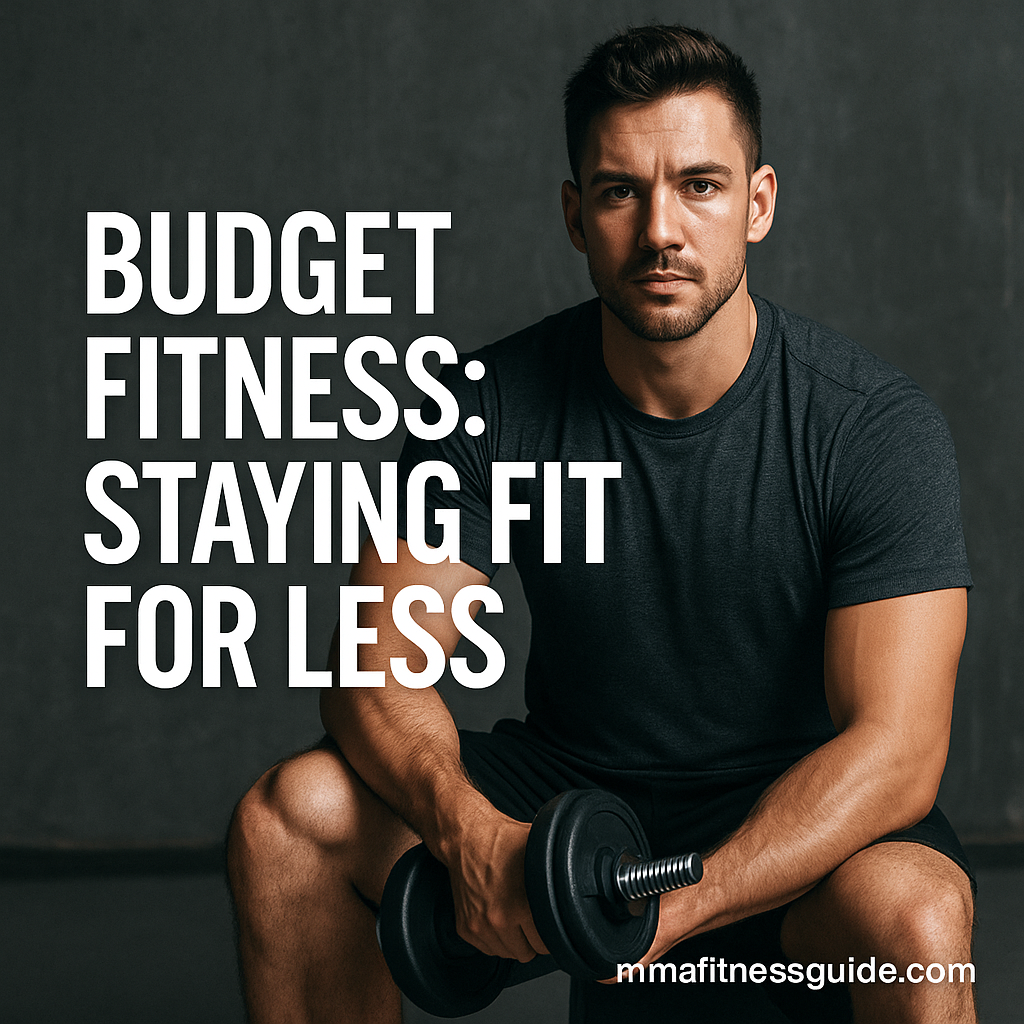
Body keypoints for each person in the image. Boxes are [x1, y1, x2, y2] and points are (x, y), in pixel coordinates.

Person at [227, 25, 976, 1024]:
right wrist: (469, 834)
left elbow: (896, 748)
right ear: (577, 216)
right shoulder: (486, 405)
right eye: (622, 191)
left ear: (757, 205)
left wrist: (688, 896)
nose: (660, 228)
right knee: (290, 819)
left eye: (700, 186)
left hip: (783, 809)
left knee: (918, 913)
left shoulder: (870, 427)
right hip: (572, 791)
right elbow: (377, 668)